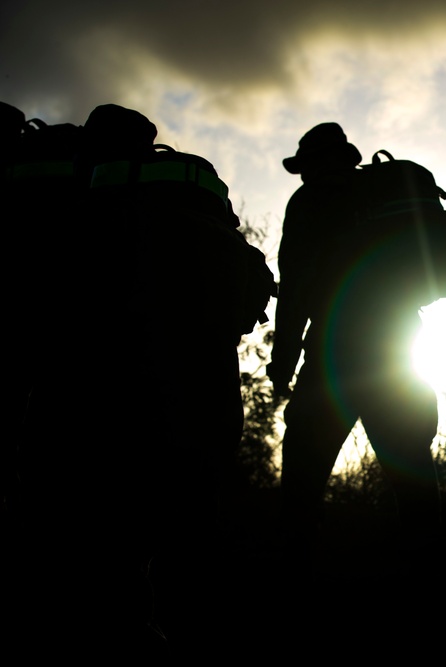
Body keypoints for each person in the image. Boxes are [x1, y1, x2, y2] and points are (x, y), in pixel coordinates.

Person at [10, 103, 274, 660]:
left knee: (92, 565)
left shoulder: (76, 219)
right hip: (206, 421)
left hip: (100, 422)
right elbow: (253, 308)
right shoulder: (209, 223)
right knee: (186, 565)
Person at [268, 124, 446, 608]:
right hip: (398, 349)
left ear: (313, 164)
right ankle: (432, 592)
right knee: (414, 480)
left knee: (302, 489)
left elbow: (292, 290)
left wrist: (282, 363)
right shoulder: (382, 194)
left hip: (332, 355)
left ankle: (289, 594)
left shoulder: (308, 204)